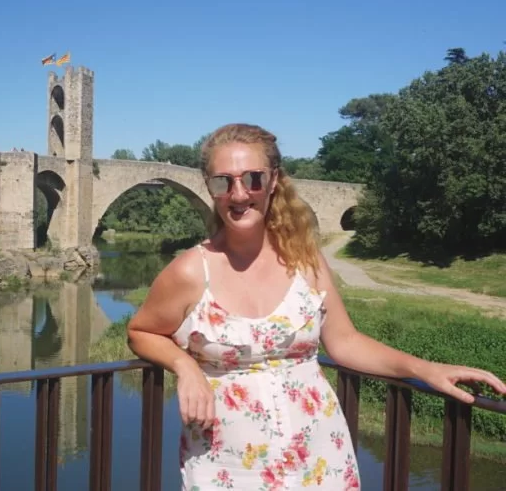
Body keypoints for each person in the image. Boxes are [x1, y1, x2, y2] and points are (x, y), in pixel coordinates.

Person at [126, 123, 506, 490]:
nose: (239, 194)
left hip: (319, 458)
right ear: (211, 188)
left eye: (253, 178)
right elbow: (140, 331)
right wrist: (184, 365)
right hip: (226, 464)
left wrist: (425, 369)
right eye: (223, 181)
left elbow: (344, 342)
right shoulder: (192, 269)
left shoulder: (304, 260)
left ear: (273, 180)